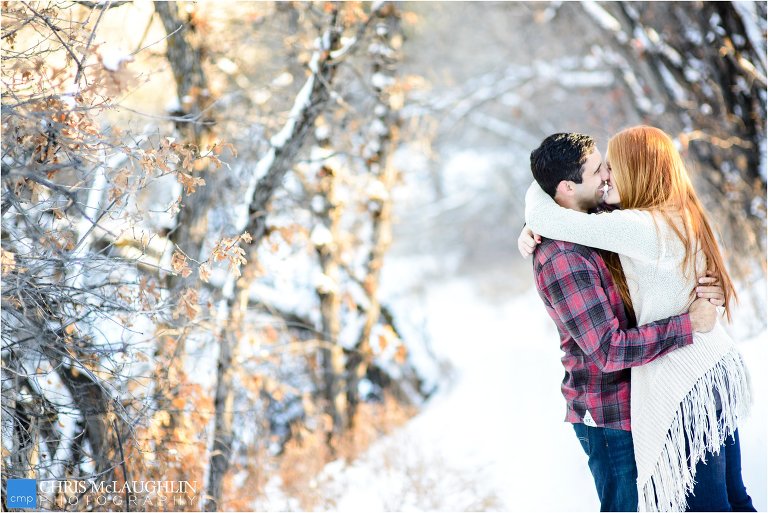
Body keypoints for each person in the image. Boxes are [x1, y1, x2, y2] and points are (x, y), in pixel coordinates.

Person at [521, 127, 753, 512]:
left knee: (715, 504)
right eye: (599, 170)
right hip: (612, 407)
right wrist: (689, 323)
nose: (608, 176)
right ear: (566, 187)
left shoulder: (630, 224)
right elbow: (609, 350)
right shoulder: (565, 252)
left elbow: (560, 215)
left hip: (677, 385)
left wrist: (538, 212)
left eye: (610, 167)